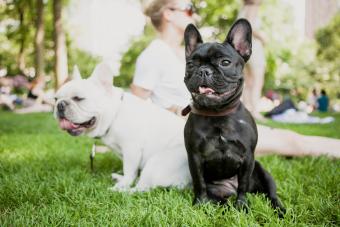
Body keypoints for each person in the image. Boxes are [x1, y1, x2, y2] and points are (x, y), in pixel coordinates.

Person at [129, 0, 340, 158]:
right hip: (194, 132)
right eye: (188, 8)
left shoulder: (185, 52)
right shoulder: (154, 53)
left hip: (216, 121)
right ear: (169, 14)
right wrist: (176, 111)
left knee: (288, 139)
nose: (193, 13)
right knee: (292, 142)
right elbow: (135, 108)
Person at [238, 0, 267, 120]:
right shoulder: (252, 7)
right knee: (257, 81)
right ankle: (255, 111)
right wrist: (263, 37)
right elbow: (249, 26)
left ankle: (246, 110)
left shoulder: (243, 8)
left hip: (243, 49)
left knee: (248, 82)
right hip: (253, 48)